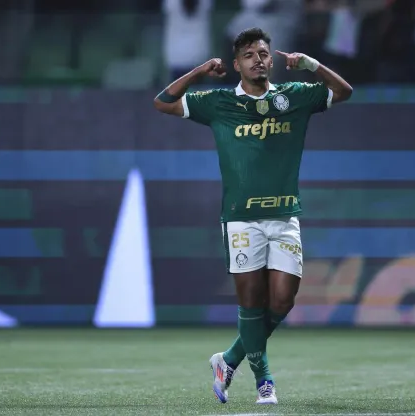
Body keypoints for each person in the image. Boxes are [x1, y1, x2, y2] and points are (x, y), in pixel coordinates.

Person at [153, 27, 352, 405]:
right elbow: (163, 102)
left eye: (263, 53)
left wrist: (312, 65)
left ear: (272, 59)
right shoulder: (219, 103)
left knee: (282, 300)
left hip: (284, 216)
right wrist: (199, 71)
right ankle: (264, 381)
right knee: (252, 301)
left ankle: (227, 361)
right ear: (237, 65)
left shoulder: (294, 96)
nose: (258, 59)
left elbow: (344, 92)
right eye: (249, 55)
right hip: (241, 218)